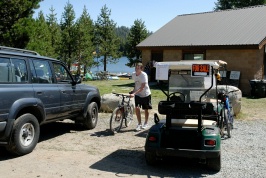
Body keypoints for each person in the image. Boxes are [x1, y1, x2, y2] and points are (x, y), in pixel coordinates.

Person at [129, 62, 152, 131]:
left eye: (138, 68)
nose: (136, 69)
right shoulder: (133, 74)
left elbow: (142, 87)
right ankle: (139, 123)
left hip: (145, 94)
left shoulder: (144, 75)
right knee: (137, 108)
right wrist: (133, 91)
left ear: (141, 69)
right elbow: (136, 83)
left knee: (145, 109)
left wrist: (134, 93)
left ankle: (146, 123)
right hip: (138, 94)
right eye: (136, 67)